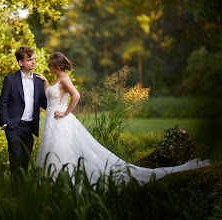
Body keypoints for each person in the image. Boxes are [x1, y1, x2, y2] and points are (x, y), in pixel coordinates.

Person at [34, 52, 209, 185]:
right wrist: (45, 83)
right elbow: (53, 98)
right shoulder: (57, 79)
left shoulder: (65, 79)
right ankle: (52, 182)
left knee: (61, 150)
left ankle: (65, 182)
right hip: (52, 120)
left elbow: (77, 96)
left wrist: (65, 113)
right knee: (51, 150)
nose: (48, 68)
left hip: (60, 121)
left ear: (57, 67)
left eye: (50, 66)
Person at [0, 46, 47, 174]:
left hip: (29, 128)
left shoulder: (38, 81)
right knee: (16, 160)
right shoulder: (10, 79)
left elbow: (45, 104)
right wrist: (5, 124)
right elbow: (3, 103)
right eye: (29, 59)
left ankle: (23, 191)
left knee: (25, 162)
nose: (33, 62)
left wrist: (46, 83)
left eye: (34, 59)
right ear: (21, 63)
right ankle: (15, 192)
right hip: (13, 127)